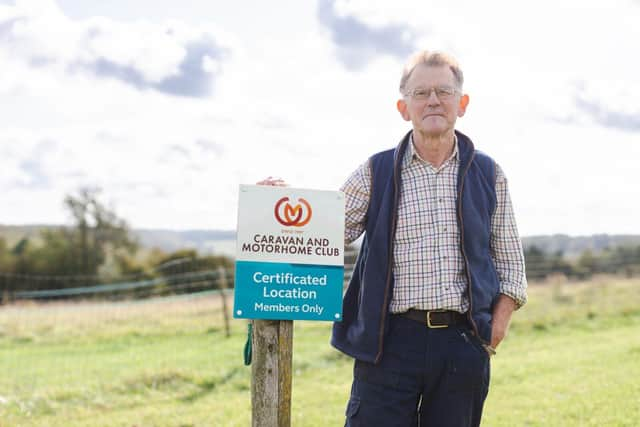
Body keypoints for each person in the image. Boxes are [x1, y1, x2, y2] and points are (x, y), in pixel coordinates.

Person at [261, 49, 527, 427]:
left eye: (443, 91)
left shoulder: (488, 172)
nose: (433, 100)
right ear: (404, 108)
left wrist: (492, 333)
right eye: (420, 93)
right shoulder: (376, 170)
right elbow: (323, 231)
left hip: (462, 344)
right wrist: (279, 204)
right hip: (388, 344)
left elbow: (510, 264)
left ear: (462, 103)